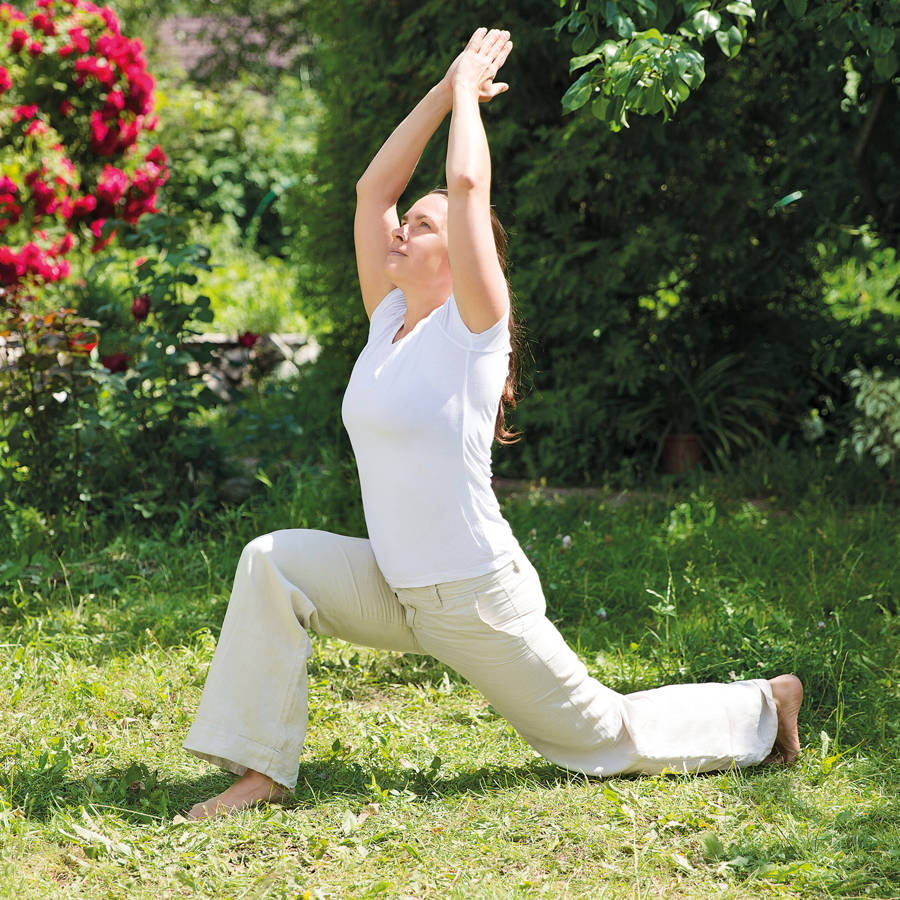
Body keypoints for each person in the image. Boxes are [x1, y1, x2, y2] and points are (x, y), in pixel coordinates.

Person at [183, 28, 803, 820]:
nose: (404, 225)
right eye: (411, 221)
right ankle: (260, 771)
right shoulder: (390, 320)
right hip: (394, 585)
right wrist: (446, 91)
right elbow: (374, 192)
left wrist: (470, 100)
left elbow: (468, 186)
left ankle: (765, 703)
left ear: (463, 258)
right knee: (272, 562)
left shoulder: (474, 329)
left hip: (475, 598)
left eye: (426, 225)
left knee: (600, 738)